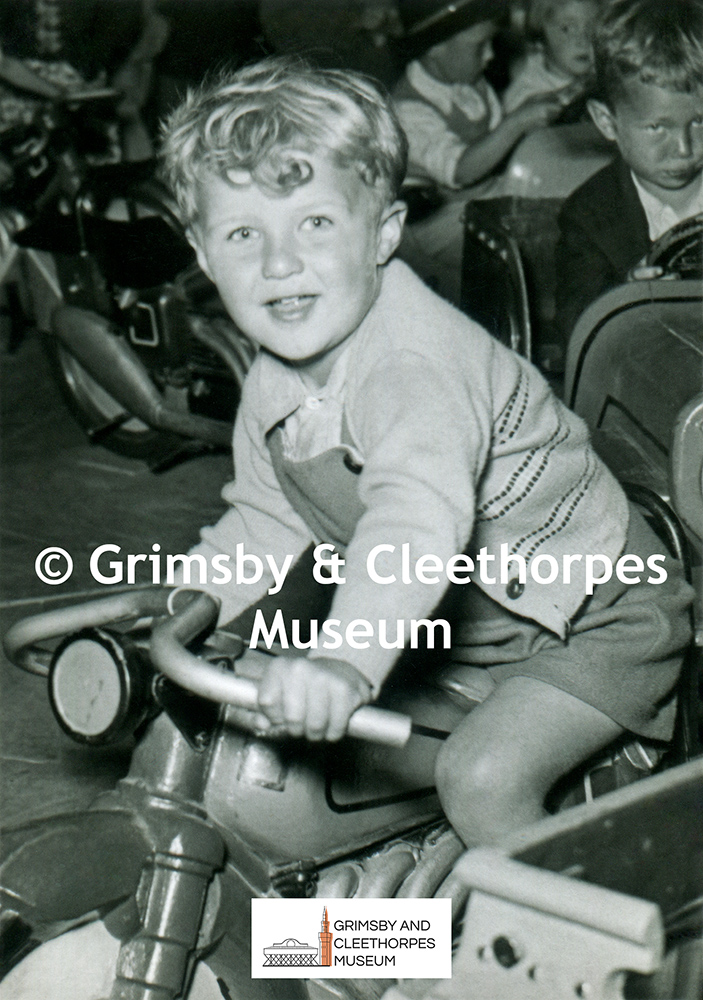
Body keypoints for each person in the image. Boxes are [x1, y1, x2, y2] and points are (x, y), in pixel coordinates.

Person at [160, 57, 691, 848]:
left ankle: (570, 922)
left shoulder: (412, 363)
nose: (278, 263)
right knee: (278, 752)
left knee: (479, 779)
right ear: (203, 256)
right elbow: (267, 519)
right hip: (476, 629)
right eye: (243, 233)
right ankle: (387, 915)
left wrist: (344, 659)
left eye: (315, 223)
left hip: (594, 619)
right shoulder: (275, 381)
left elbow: (413, 525)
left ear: (382, 234)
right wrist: (186, 602)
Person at [391, 0, 563, 304]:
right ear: (434, 47)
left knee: (558, 202)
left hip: (482, 198)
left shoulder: (469, 82)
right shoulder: (409, 110)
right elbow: (461, 170)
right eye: (479, 46)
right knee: (529, 242)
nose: (490, 55)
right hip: (435, 220)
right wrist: (516, 123)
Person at [555, 0, 703, 341]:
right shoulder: (589, 215)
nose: (684, 148)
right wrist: (624, 298)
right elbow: (574, 324)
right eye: (657, 128)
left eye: (699, 121)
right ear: (607, 122)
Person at [503, 0, 601, 114]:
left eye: (592, 28)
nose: (584, 41)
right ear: (540, 36)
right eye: (566, 29)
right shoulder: (526, 96)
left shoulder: (603, 68)